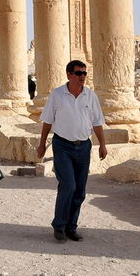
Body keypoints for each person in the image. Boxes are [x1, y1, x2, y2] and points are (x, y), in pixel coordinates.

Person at [36, 60, 107, 243]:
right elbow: (48, 121)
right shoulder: (57, 95)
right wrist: (42, 144)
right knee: (68, 185)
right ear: (69, 74)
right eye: (78, 73)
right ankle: (59, 226)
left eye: (84, 73)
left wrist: (103, 144)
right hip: (63, 146)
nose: (82, 76)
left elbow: (97, 122)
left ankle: (71, 227)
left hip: (83, 146)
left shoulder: (90, 95)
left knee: (80, 191)